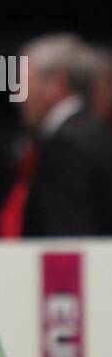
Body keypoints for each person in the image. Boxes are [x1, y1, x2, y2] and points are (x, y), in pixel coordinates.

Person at [16, 35, 112, 237]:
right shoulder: (99, 133)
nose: (17, 95)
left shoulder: (66, 145)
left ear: (56, 84)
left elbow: (67, 240)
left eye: (23, 83)